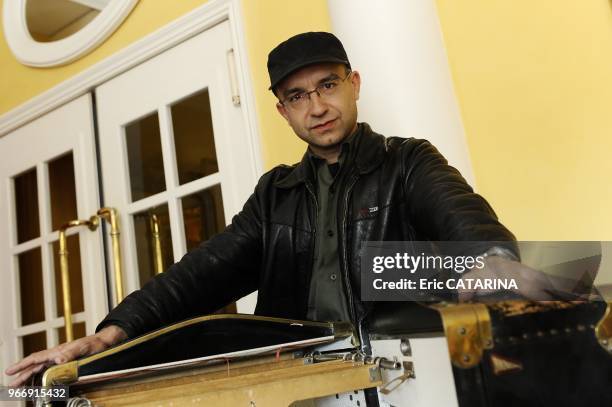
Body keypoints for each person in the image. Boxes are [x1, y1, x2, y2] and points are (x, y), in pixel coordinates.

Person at [6, 31, 535, 387]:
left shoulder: (410, 162)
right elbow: (200, 275)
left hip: (404, 378)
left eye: (328, 85)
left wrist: (489, 263)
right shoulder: (274, 195)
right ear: (282, 110)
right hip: (297, 383)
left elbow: (470, 227)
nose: (318, 107)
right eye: (298, 96)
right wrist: (109, 335)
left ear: (354, 84)